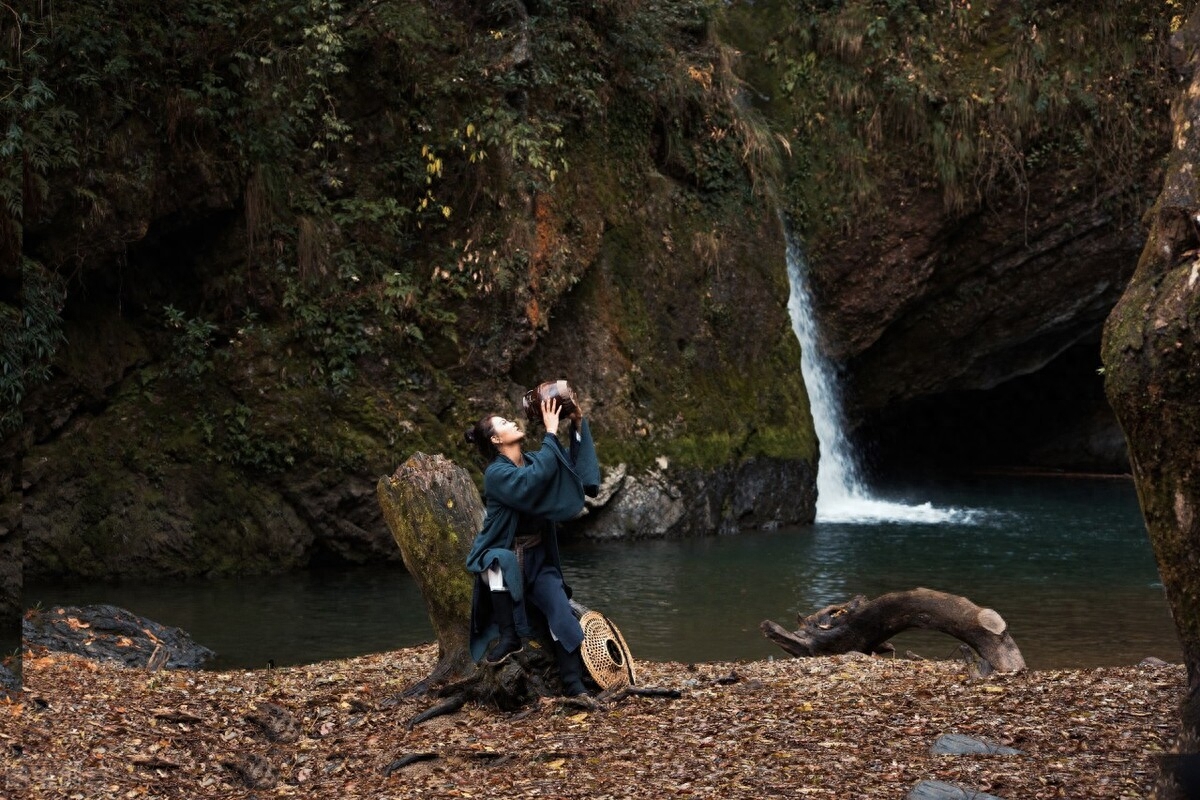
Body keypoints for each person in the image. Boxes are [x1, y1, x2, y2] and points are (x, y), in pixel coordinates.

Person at [463, 395, 600, 696]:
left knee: (562, 616)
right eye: (503, 423)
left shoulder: (536, 459)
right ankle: (509, 635)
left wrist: (575, 422)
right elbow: (531, 483)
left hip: (539, 559)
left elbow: (568, 467)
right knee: (497, 561)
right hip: (504, 551)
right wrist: (550, 432)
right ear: (497, 439)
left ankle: (574, 685)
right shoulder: (496, 474)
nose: (512, 421)